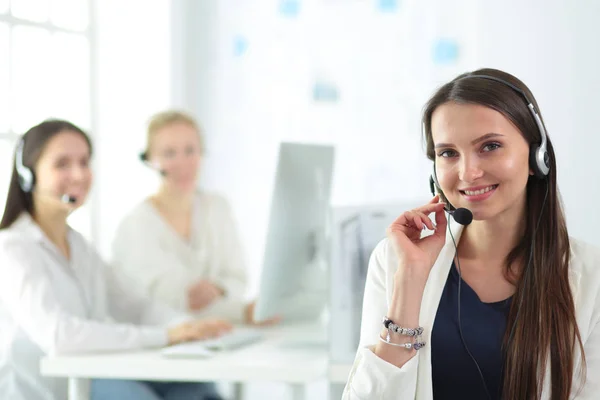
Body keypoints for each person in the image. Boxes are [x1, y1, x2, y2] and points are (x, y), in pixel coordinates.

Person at [343, 68, 600, 399]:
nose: (468, 172)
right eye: (448, 153)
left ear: (538, 156)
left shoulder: (591, 276)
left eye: (490, 146)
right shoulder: (396, 260)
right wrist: (409, 281)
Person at [0, 119, 232, 400]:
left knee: (198, 392)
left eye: (84, 162)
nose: (78, 174)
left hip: (89, 380)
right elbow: (60, 336)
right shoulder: (14, 248)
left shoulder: (78, 245)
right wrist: (167, 336)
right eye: (62, 164)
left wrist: (188, 327)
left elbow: (134, 306)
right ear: (28, 175)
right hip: (47, 392)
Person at [112, 110, 276, 325]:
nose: (183, 163)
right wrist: (242, 312)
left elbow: (238, 279)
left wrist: (219, 290)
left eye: (190, 151)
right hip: (160, 344)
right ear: (151, 159)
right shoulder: (135, 226)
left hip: (220, 333)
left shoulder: (218, 208)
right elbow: (162, 305)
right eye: (169, 153)